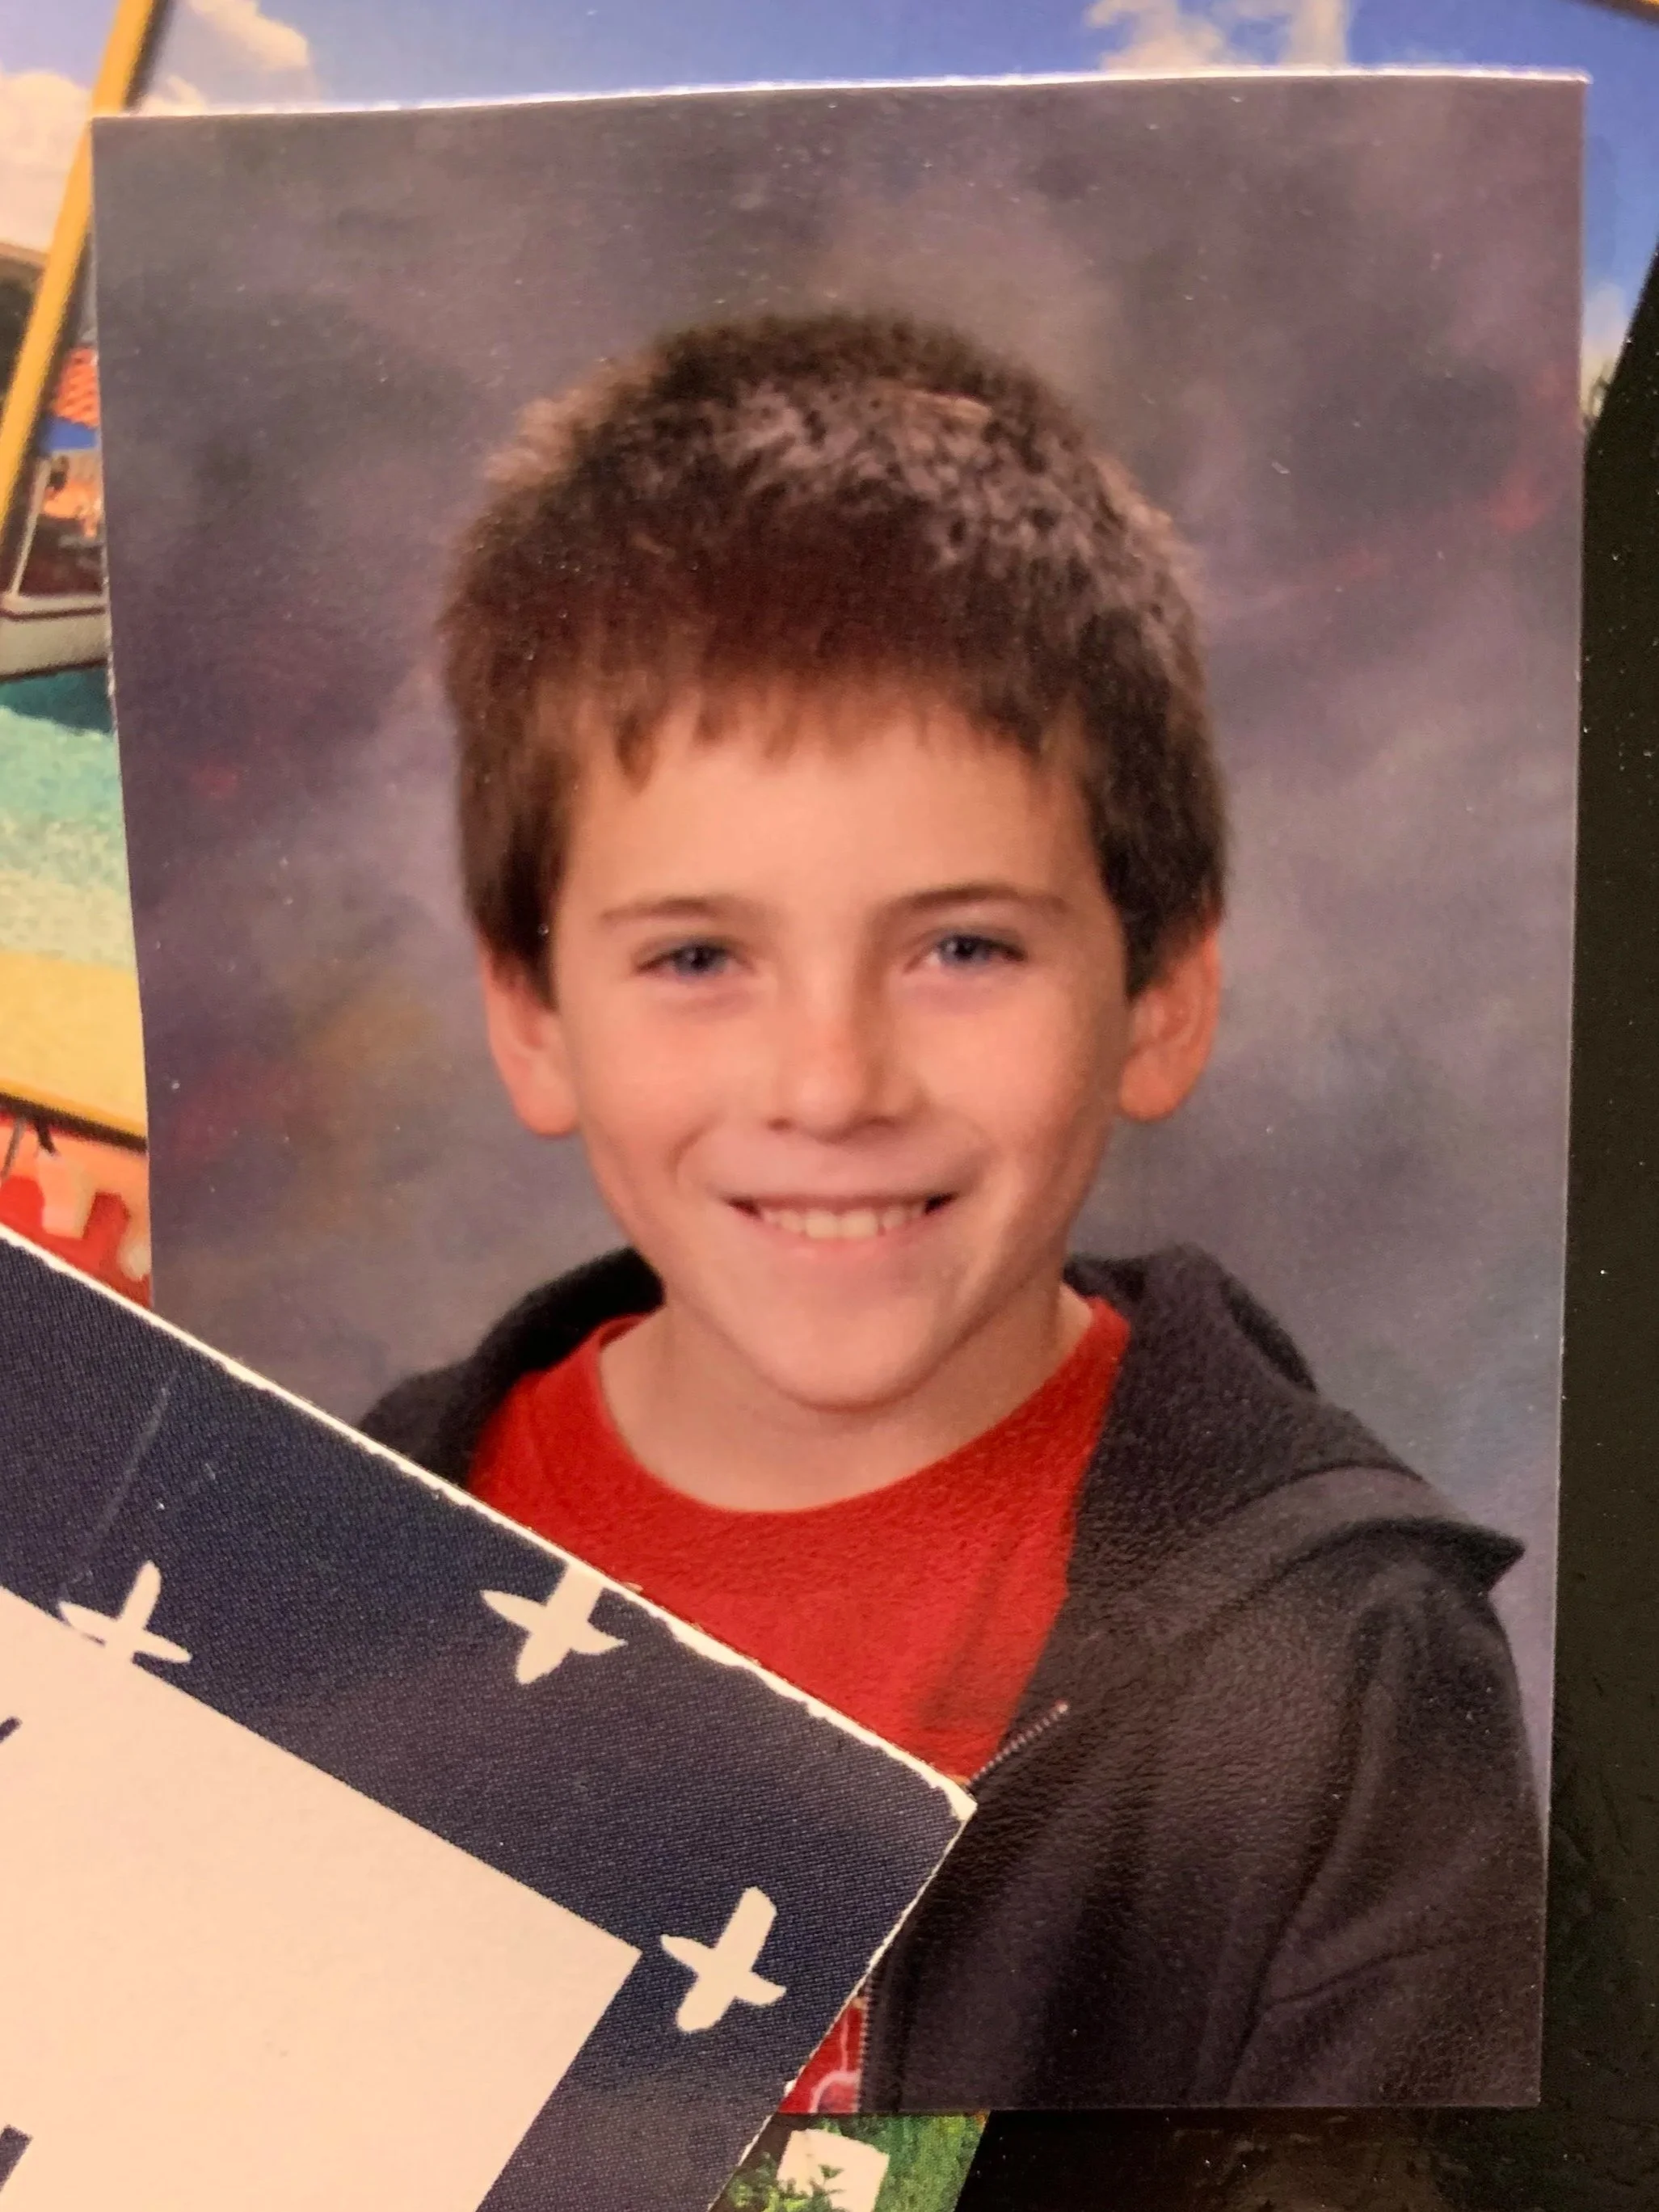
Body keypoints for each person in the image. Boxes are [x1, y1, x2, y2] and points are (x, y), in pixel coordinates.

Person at [362, 312, 1543, 2112]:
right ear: (531, 1016)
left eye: (964, 948)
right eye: (699, 957)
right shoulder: (332, 1545)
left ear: (1161, 995)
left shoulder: (1353, 1680)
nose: (832, 1083)